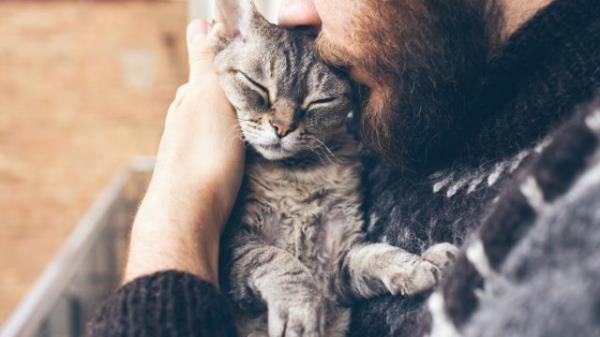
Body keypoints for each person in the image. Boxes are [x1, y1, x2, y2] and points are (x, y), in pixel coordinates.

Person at [87, 0, 600, 336]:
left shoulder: (576, 228)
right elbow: (335, 264)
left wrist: (174, 215)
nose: (291, 11)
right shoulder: (410, 95)